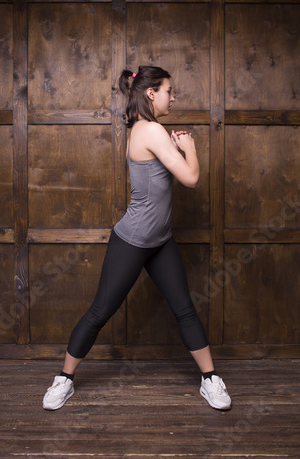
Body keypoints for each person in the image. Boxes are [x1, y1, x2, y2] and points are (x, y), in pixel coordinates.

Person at [43, 65, 231, 411]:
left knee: (185, 309)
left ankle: (210, 380)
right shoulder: (151, 130)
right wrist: (189, 145)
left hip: (160, 240)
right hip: (131, 241)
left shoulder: (145, 129)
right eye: (168, 91)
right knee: (100, 312)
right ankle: (64, 380)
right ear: (150, 93)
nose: (172, 98)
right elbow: (191, 177)